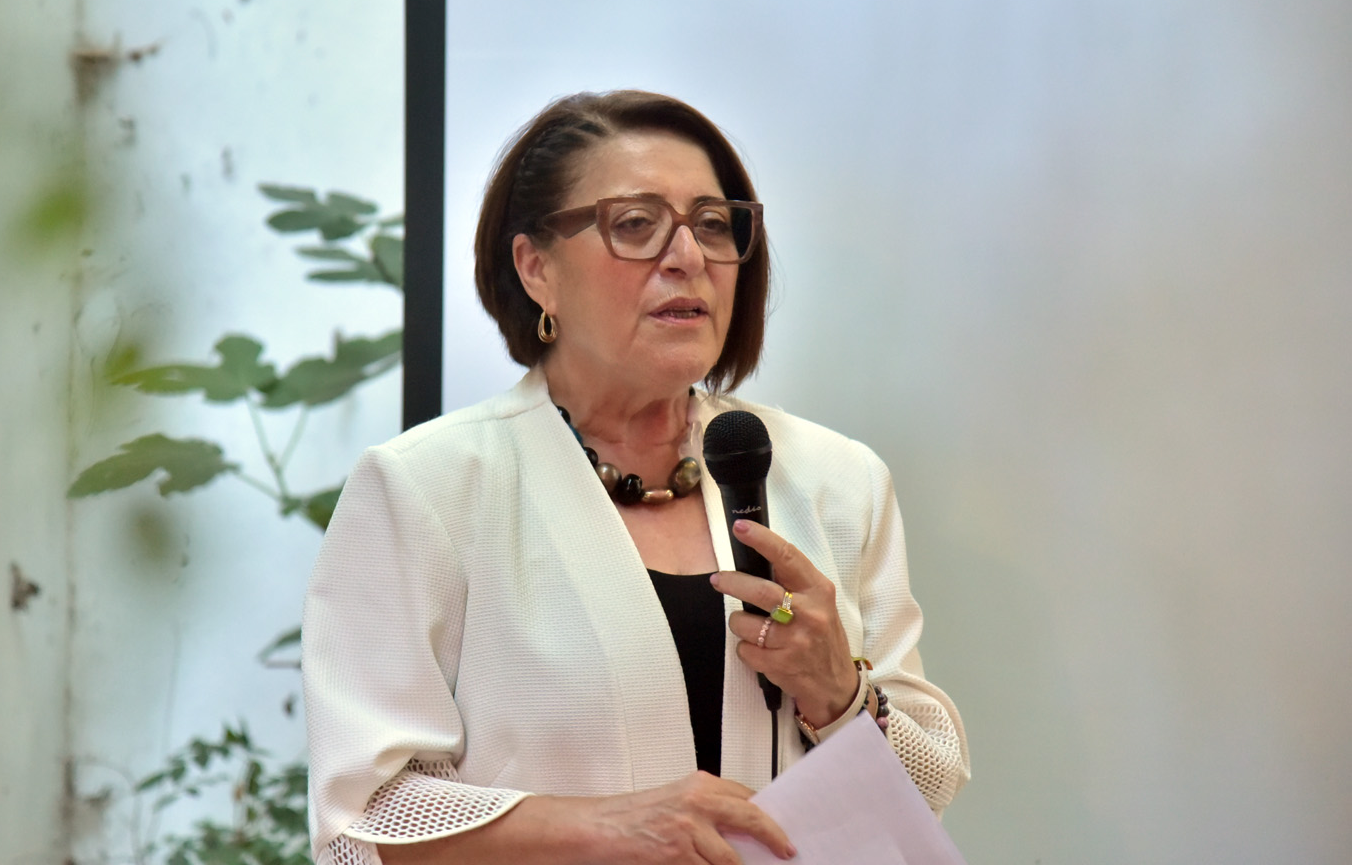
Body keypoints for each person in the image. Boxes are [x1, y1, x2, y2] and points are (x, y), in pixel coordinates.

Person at [303, 91, 969, 865]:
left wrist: (841, 696)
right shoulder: (427, 490)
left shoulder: (837, 481)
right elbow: (361, 827)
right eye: (636, 225)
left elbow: (928, 788)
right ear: (536, 268)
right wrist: (606, 828)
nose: (688, 256)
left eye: (712, 225)